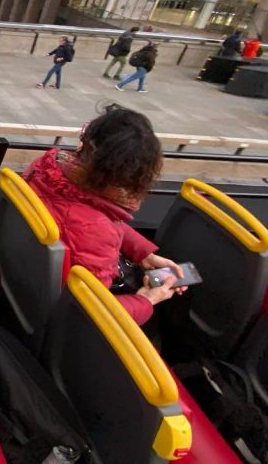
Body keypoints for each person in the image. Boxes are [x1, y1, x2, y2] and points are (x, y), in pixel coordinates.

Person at [23, 105, 185, 325]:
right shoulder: (97, 229)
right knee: (174, 304)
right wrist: (147, 299)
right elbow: (89, 312)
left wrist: (144, 253)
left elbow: (85, 220)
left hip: (29, 287)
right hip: (65, 322)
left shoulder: (48, 170)